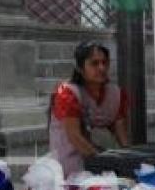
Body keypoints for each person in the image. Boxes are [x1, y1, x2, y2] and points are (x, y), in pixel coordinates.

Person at [48, 41, 129, 178]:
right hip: (68, 163)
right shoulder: (66, 94)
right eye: (94, 63)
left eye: (104, 62)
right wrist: (104, 162)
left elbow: (122, 135)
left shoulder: (116, 95)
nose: (101, 68)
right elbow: (75, 136)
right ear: (80, 68)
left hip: (100, 160)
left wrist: (129, 160)